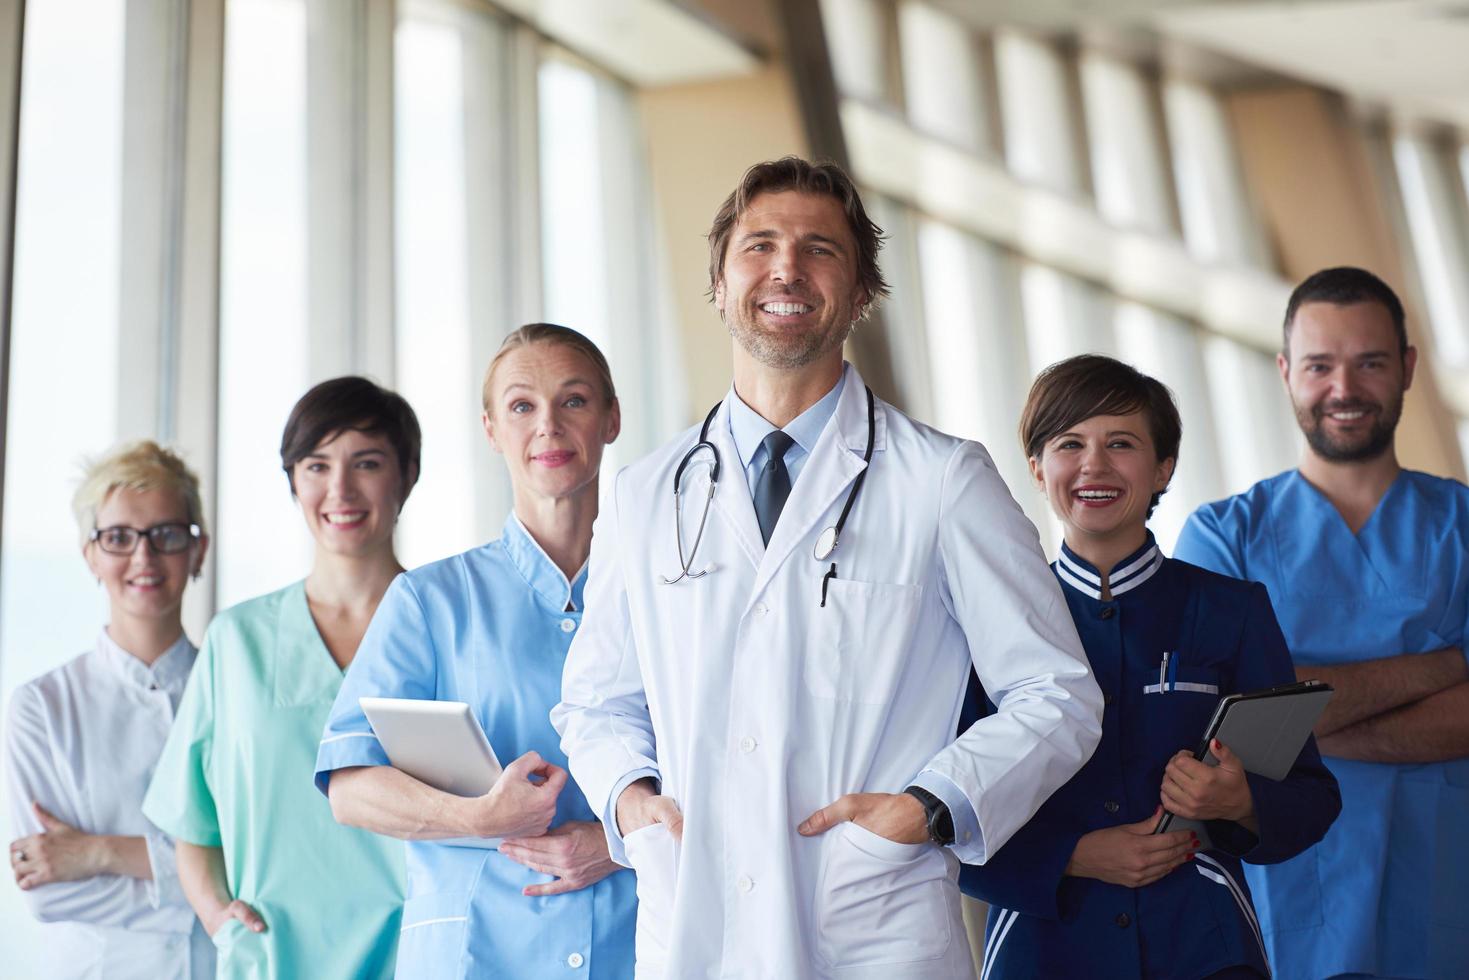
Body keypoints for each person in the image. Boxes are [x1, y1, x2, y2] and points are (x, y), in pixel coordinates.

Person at [551, 156, 1103, 979]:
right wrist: (631, 801)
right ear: (717, 281)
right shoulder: (643, 494)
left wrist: (927, 807)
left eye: (820, 250)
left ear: (859, 293)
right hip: (692, 923)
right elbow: (595, 700)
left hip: (870, 928)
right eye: (760, 245)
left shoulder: (943, 480)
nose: (786, 269)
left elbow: (1056, 693)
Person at [958, 355, 1340, 979]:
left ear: (1163, 467)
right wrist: (1076, 856)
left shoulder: (1232, 611)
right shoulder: (984, 622)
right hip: (1044, 953)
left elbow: (1312, 798)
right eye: (1069, 443)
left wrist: (1240, 800)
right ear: (1036, 467)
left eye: (1121, 443)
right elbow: (947, 817)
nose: (1094, 465)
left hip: (1202, 946)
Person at [315, 324, 636, 979]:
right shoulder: (429, 602)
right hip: (477, 955)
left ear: (611, 419)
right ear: (491, 429)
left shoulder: (664, 596)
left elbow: (726, 765)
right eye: (522, 406)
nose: (547, 425)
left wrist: (622, 841)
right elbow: (349, 787)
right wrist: (478, 815)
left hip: (634, 947)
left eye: (572, 401)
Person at [1175, 266, 1469, 979]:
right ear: (1284, 373)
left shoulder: (1461, 524)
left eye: (1368, 362)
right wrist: (1446, 666)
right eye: (1319, 366)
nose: (1343, 389)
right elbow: (1215, 717)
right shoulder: (1223, 537)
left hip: (1443, 896)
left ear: (1405, 369)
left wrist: (1297, 719)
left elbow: (1258, 721)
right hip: (1286, 904)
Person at [142, 377, 418, 979]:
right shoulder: (236, 641)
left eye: (366, 463)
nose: (339, 489)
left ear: (406, 475)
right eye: (316, 465)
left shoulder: (446, 629)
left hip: (417, 957)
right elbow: (191, 820)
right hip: (272, 961)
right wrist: (218, 918)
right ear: (293, 480)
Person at [4, 441, 215, 979]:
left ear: (198, 551)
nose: (143, 558)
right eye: (119, 538)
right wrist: (205, 885)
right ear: (91, 555)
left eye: (166, 534)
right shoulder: (41, 706)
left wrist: (99, 853)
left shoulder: (232, 693)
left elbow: (262, 860)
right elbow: (48, 893)